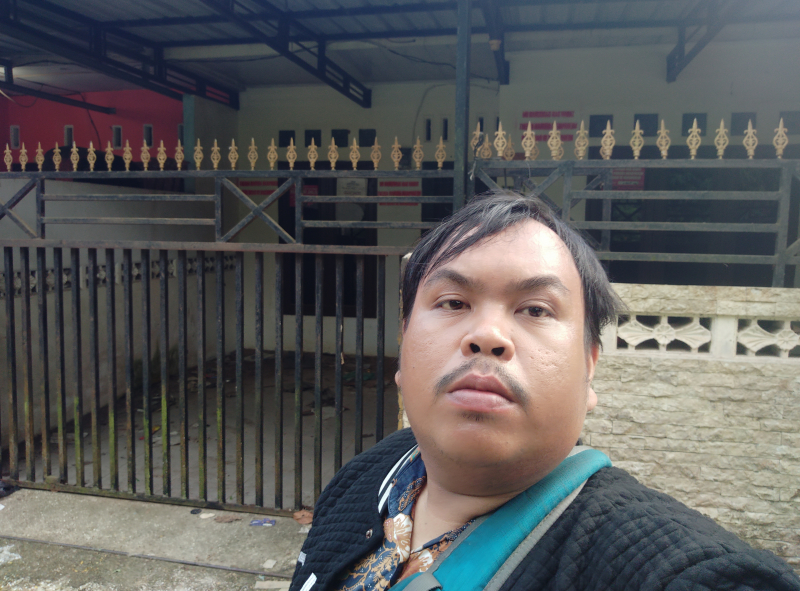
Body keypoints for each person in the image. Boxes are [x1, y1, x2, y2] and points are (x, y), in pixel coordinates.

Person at [290, 191, 800, 591]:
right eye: (452, 302)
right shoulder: (370, 474)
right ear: (403, 348)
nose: (487, 335)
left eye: (536, 309)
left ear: (589, 366)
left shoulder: (675, 570)